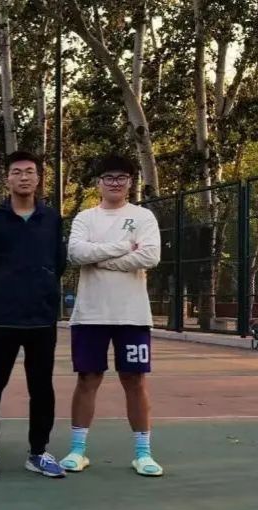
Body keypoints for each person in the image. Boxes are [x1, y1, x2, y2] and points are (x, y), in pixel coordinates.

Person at [62, 154, 163, 477]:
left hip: (132, 315)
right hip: (90, 314)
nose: (115, 183)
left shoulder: (143, 217)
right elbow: (77, 253)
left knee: (134, 380)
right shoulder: (85, 218)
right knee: (87, 379)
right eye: (109, 177)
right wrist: (123, 247)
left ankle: (143, 454)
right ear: (99, 183)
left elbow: (150, 255)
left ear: (130, 182)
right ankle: (77, 450)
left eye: (122, 177)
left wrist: (101, 260)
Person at [0, 152, 67, 478]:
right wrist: (4, 290)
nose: (23, 177)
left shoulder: (51, 218)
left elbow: (58, 262)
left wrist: (42, 288)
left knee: (41, 387)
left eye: (29, 172)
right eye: (17, 172)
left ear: (38, 178)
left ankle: (38, 452)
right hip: (2, 316)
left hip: (41, 317)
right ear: (7, 179)